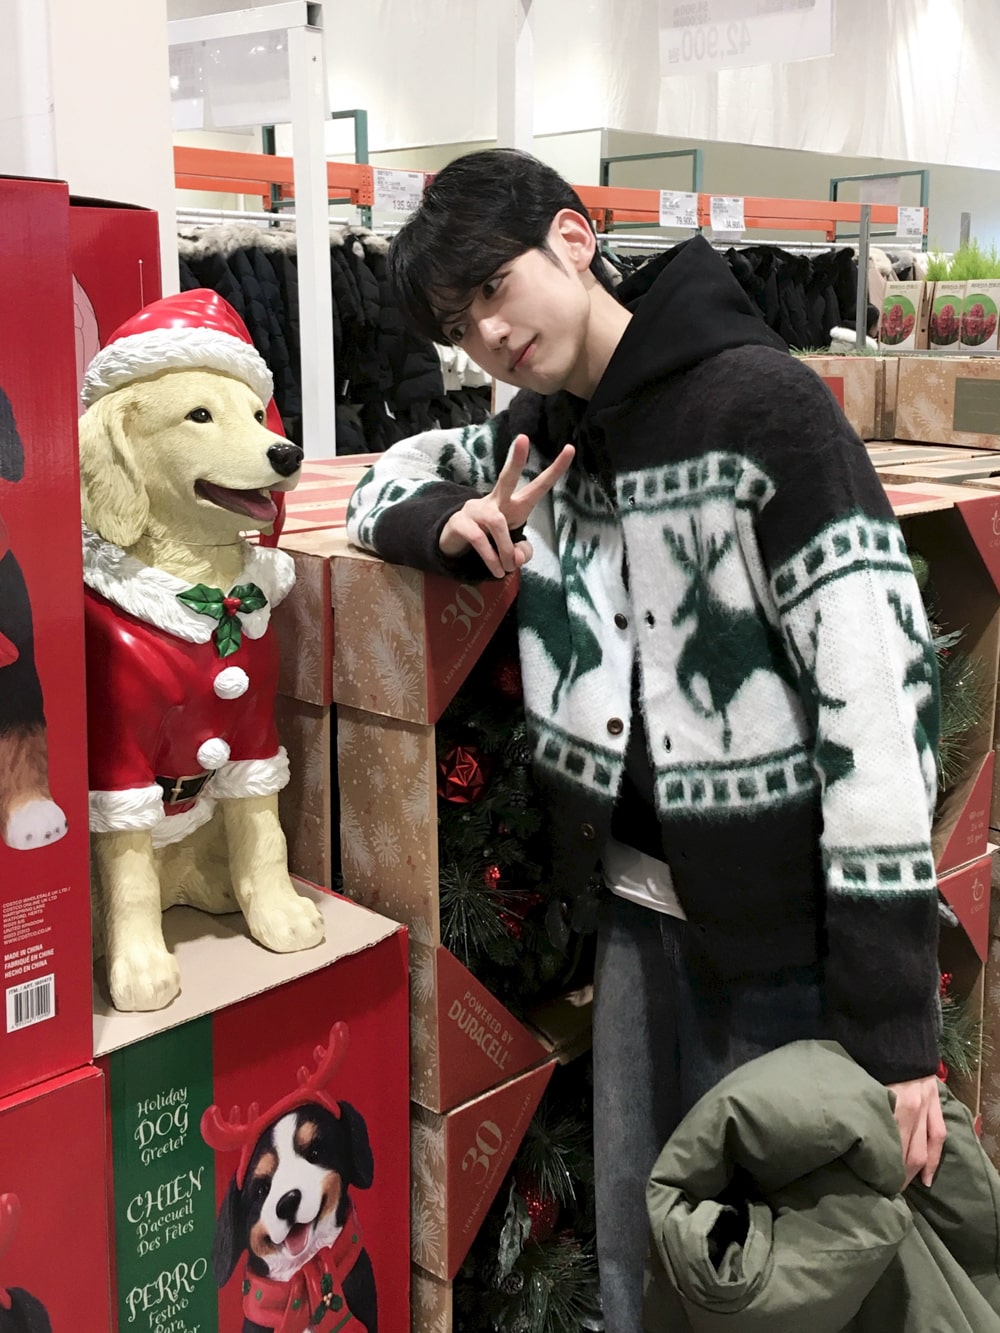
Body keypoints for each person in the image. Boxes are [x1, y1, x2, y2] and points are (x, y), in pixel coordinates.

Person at [346, 148, 945, 1331]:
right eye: (458, 324)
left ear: (573, 239)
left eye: (494, 287)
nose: (487, 334)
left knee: (770, 1280)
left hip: (782, 947)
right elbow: (389, 474)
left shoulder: (761, 410)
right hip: (630, 920)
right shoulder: (543, 434)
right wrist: (443, 520)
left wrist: (894, 1030)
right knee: (636, 1251)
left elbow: (876, 704)